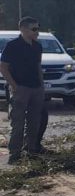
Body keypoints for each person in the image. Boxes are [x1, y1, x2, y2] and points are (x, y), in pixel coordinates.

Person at [1, 16, 47, 162]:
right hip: (20, 89)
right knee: (18, 123)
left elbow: (38, 66)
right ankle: (14, 155)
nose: (37, 32)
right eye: (34, 29)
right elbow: (3, 67)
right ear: (23, 29)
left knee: (35, 121)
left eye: (38, 28)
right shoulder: (12, 46)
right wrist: (14, 86)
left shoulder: (37, 46)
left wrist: (41, 85)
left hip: (36, 89)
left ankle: (31, 149)